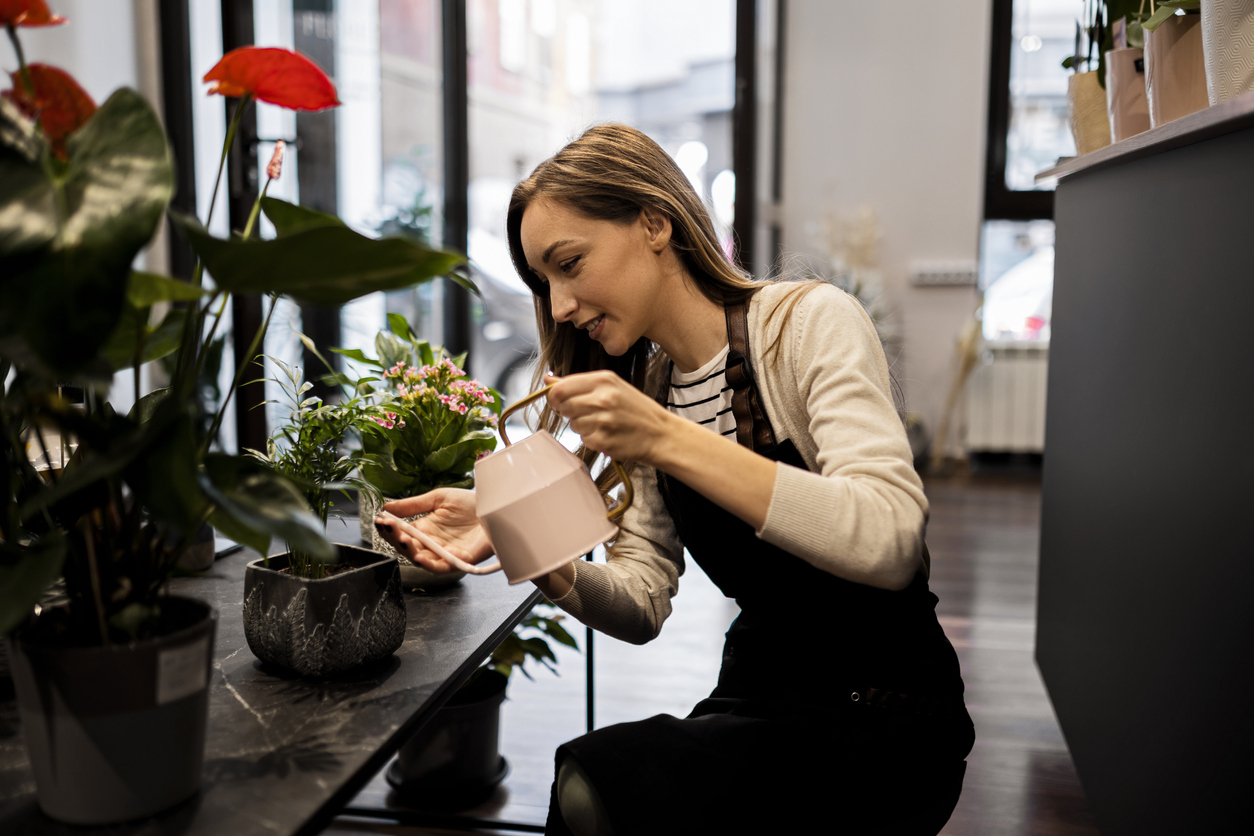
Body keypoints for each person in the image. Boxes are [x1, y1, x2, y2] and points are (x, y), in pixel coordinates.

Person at [376, 123, 974, 835]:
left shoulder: (807, 325)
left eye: (570, 263)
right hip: (758, 694)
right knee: (590, 776)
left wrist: (664, 437)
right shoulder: (650, 389)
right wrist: (527, 539)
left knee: (607, 784)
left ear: (655, 223)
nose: (560, 304)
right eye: (546, 282)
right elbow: (640, 604)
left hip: (885, 708)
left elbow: (889, 539)